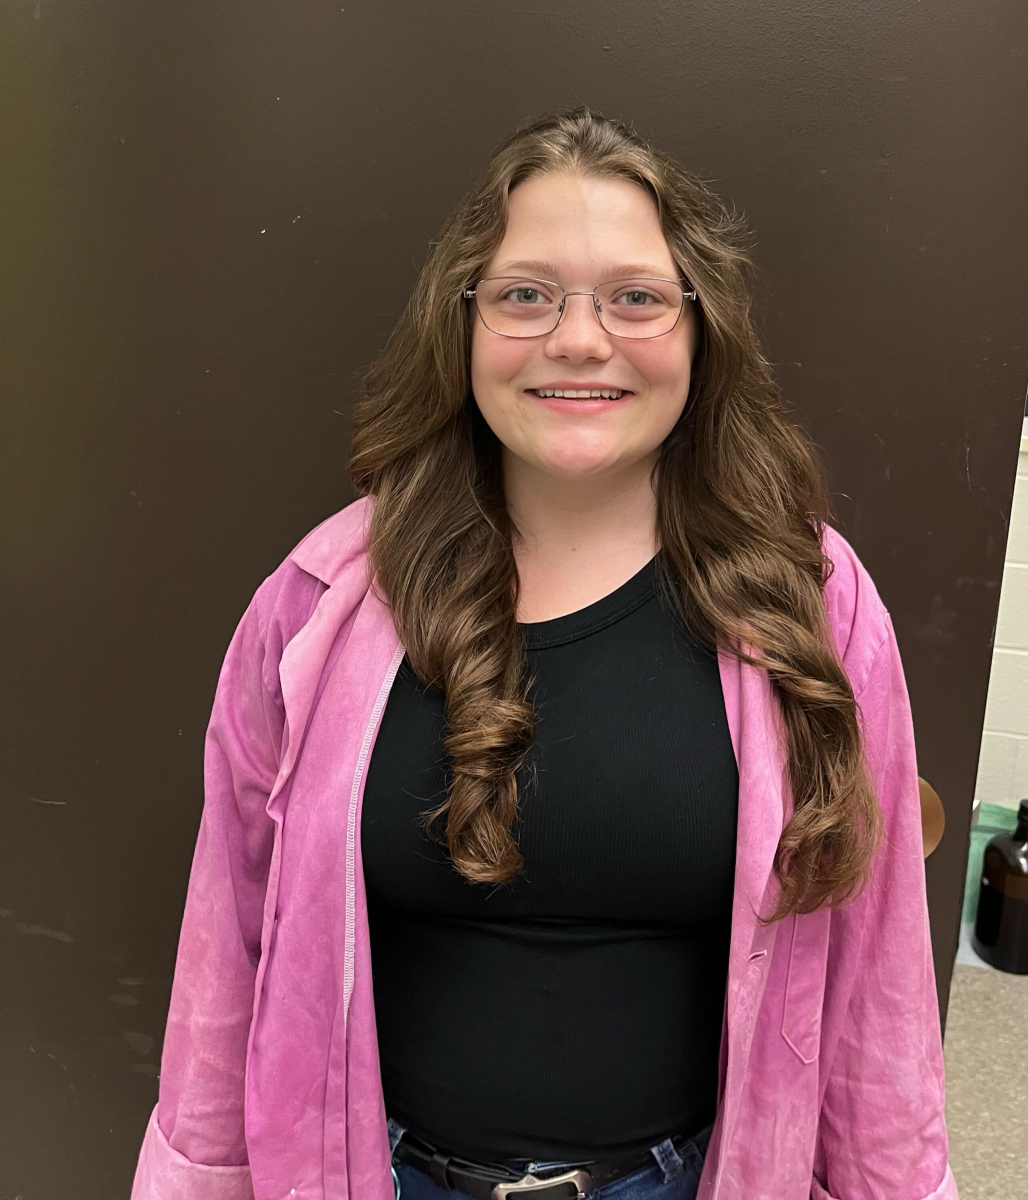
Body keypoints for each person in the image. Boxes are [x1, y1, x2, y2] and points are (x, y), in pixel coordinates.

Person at [132, 108, 956, 1200]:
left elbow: (878, 981)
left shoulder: (814, 602)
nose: (578, 339)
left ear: (701, 329)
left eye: (636, 297)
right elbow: (226, 946)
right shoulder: (319, 603)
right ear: (462, 325)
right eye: (525, 295)